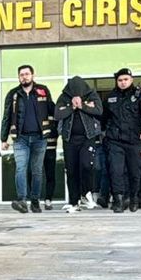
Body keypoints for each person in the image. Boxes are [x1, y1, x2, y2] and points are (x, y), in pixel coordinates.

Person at [0, 65, 54, 213]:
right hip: (20, 138)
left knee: (37, 170)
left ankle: (35, 201)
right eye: (21, 75)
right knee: (21, 168)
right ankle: (22, 200)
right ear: (19, 77)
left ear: (32, 75)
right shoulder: (13, 94)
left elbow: (52, 109)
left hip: (40, 137)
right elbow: (6, 116)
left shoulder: (42, 90)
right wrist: (3, 138)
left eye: (27, 74)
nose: (24, 77)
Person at [102, 68, 141, 213]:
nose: (123, 82)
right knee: (116, 170)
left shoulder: (140, 96)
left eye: (125, 79)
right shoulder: (110, 97)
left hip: (134, 140)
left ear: (131, 80)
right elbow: (103, 118)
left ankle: (134, 198)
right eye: (120, 80)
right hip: (115, 140)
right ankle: (118, 200)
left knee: (134, 172)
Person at [55, 76, 104, 214]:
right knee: (71, 170)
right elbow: (58, 113)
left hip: (88, 137)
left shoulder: (92, 95)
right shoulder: (63, 97)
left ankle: (85, 193)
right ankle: (73, 201)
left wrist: (82, 105)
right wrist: (72, 106)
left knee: (86, 166)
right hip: (69, 139)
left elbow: (99, 111)